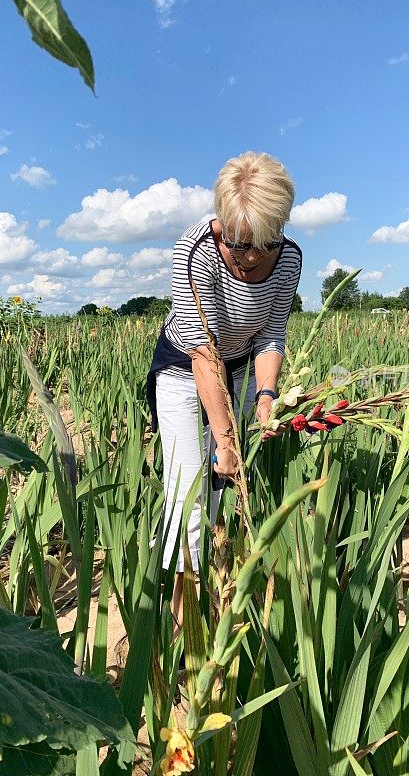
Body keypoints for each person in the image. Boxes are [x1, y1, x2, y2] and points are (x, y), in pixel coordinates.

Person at [146, 151, 302, 625]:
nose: (251, 258)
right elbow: (202, 352)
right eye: (239, 244)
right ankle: (178, 627)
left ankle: (194, 591)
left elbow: (272, 334)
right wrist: (226, 437)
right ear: (221, 225)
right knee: (190, 494)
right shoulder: (194, 251)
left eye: (264, 244)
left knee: (215, 490)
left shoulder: (289, 259)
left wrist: (266, 396)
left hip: (235, 371)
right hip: (183, 367)